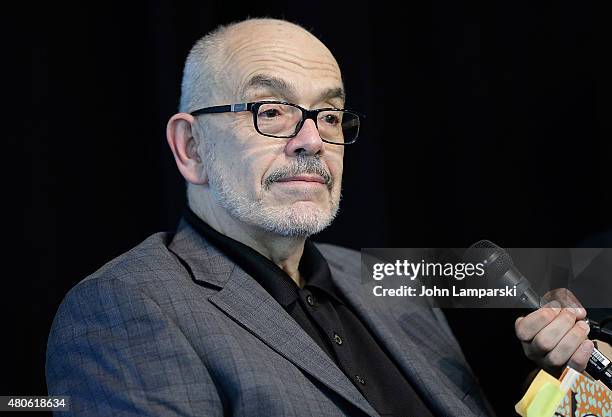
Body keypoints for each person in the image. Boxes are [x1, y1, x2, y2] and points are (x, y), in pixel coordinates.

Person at [46, 18, 593, 416]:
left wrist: (564, 384)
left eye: (329, 115)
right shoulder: (123, 306)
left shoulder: (383, 281)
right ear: (190, 147)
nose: (312, 140)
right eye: (272, 110)